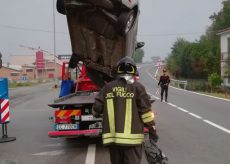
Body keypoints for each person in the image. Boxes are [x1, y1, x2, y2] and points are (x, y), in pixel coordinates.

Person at [93, 57, 158, 164]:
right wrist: (153, 131)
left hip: (113, 140)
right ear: (134, 70)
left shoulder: (108, 87)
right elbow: (146, 114)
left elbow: (97, 108)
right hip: (133, 141)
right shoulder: (138, 88)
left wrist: (95, 113)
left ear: (117, 70)